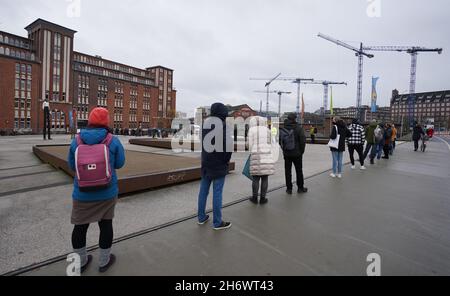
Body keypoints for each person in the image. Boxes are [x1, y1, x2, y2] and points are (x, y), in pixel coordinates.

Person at [67, 107, 125, 273]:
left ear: (90, 121)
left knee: (80, 227)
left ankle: (81, 262)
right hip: (107, 193)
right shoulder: (112, 140)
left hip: (82, 194)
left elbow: (72, 165)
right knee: (106, 225)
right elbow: (120, 163)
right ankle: (103, 262)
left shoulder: (76, 141)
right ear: (107, 122)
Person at [197, 103, 233, 230]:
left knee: (203, 191)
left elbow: (201, 141)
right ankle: (217, 222)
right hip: (218, 164)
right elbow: (228, 147)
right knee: (217, 192)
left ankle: (201, 217)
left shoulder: (204, 125)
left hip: (206, 162)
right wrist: (226, 161)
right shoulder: (224, 126)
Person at [248, 116, 276, 205]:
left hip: (256, 154)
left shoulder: (252, 130)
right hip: (266, 154)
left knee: (255, 178)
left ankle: (254, 198)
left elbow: (249, 145)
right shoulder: (267, 130)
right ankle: (263, 198)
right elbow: (272, 143)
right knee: (265, 177)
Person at [279, 113, 307, 194]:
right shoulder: (298, 128)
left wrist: (284, 149)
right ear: (295, 119)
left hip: (287, 153)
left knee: (287, 171)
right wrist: (301, 151)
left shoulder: (283, 128)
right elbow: (303, 141)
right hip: (297, 154)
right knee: (299, 171)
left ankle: (289, 189)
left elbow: (280, 141)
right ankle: (300, 188)